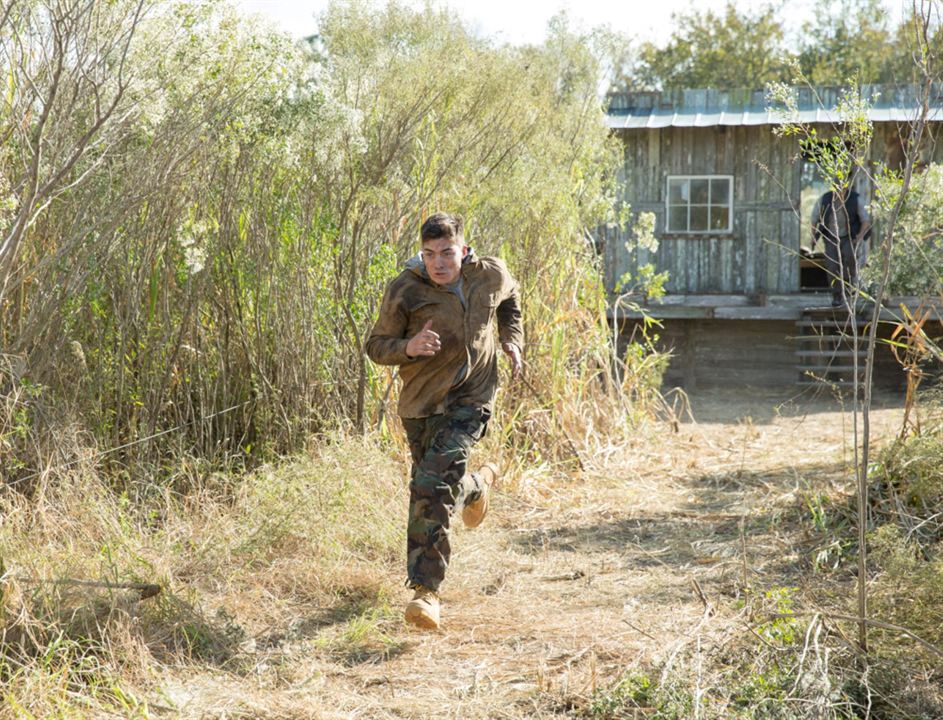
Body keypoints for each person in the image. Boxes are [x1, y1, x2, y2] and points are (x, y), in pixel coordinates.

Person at [365, 212, 524, 630]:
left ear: (463, 250)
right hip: (421, 403)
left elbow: (511, 300)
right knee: (434, 488)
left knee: (431, 486)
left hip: (473, 396)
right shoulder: (405, 290)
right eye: (430, 254)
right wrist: (410, 346)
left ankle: (426, 593)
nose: (438, 262)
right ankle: (478, 485)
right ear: (422, 254)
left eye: (447, 253)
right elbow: (376, 346)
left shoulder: (489, 273)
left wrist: (511, 341)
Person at [811, 184, 872, 307]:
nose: (840, 192)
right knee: (832, 266)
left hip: (849, 236)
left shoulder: (856, 199)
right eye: (837, 189)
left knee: (850, 260)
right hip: (830, 236)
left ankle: (849, 289)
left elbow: (866, 221)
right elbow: (814, 219)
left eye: (843, 189)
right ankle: (837, 295)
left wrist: (859, 238)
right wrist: (813, 238)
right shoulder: (825, 199)